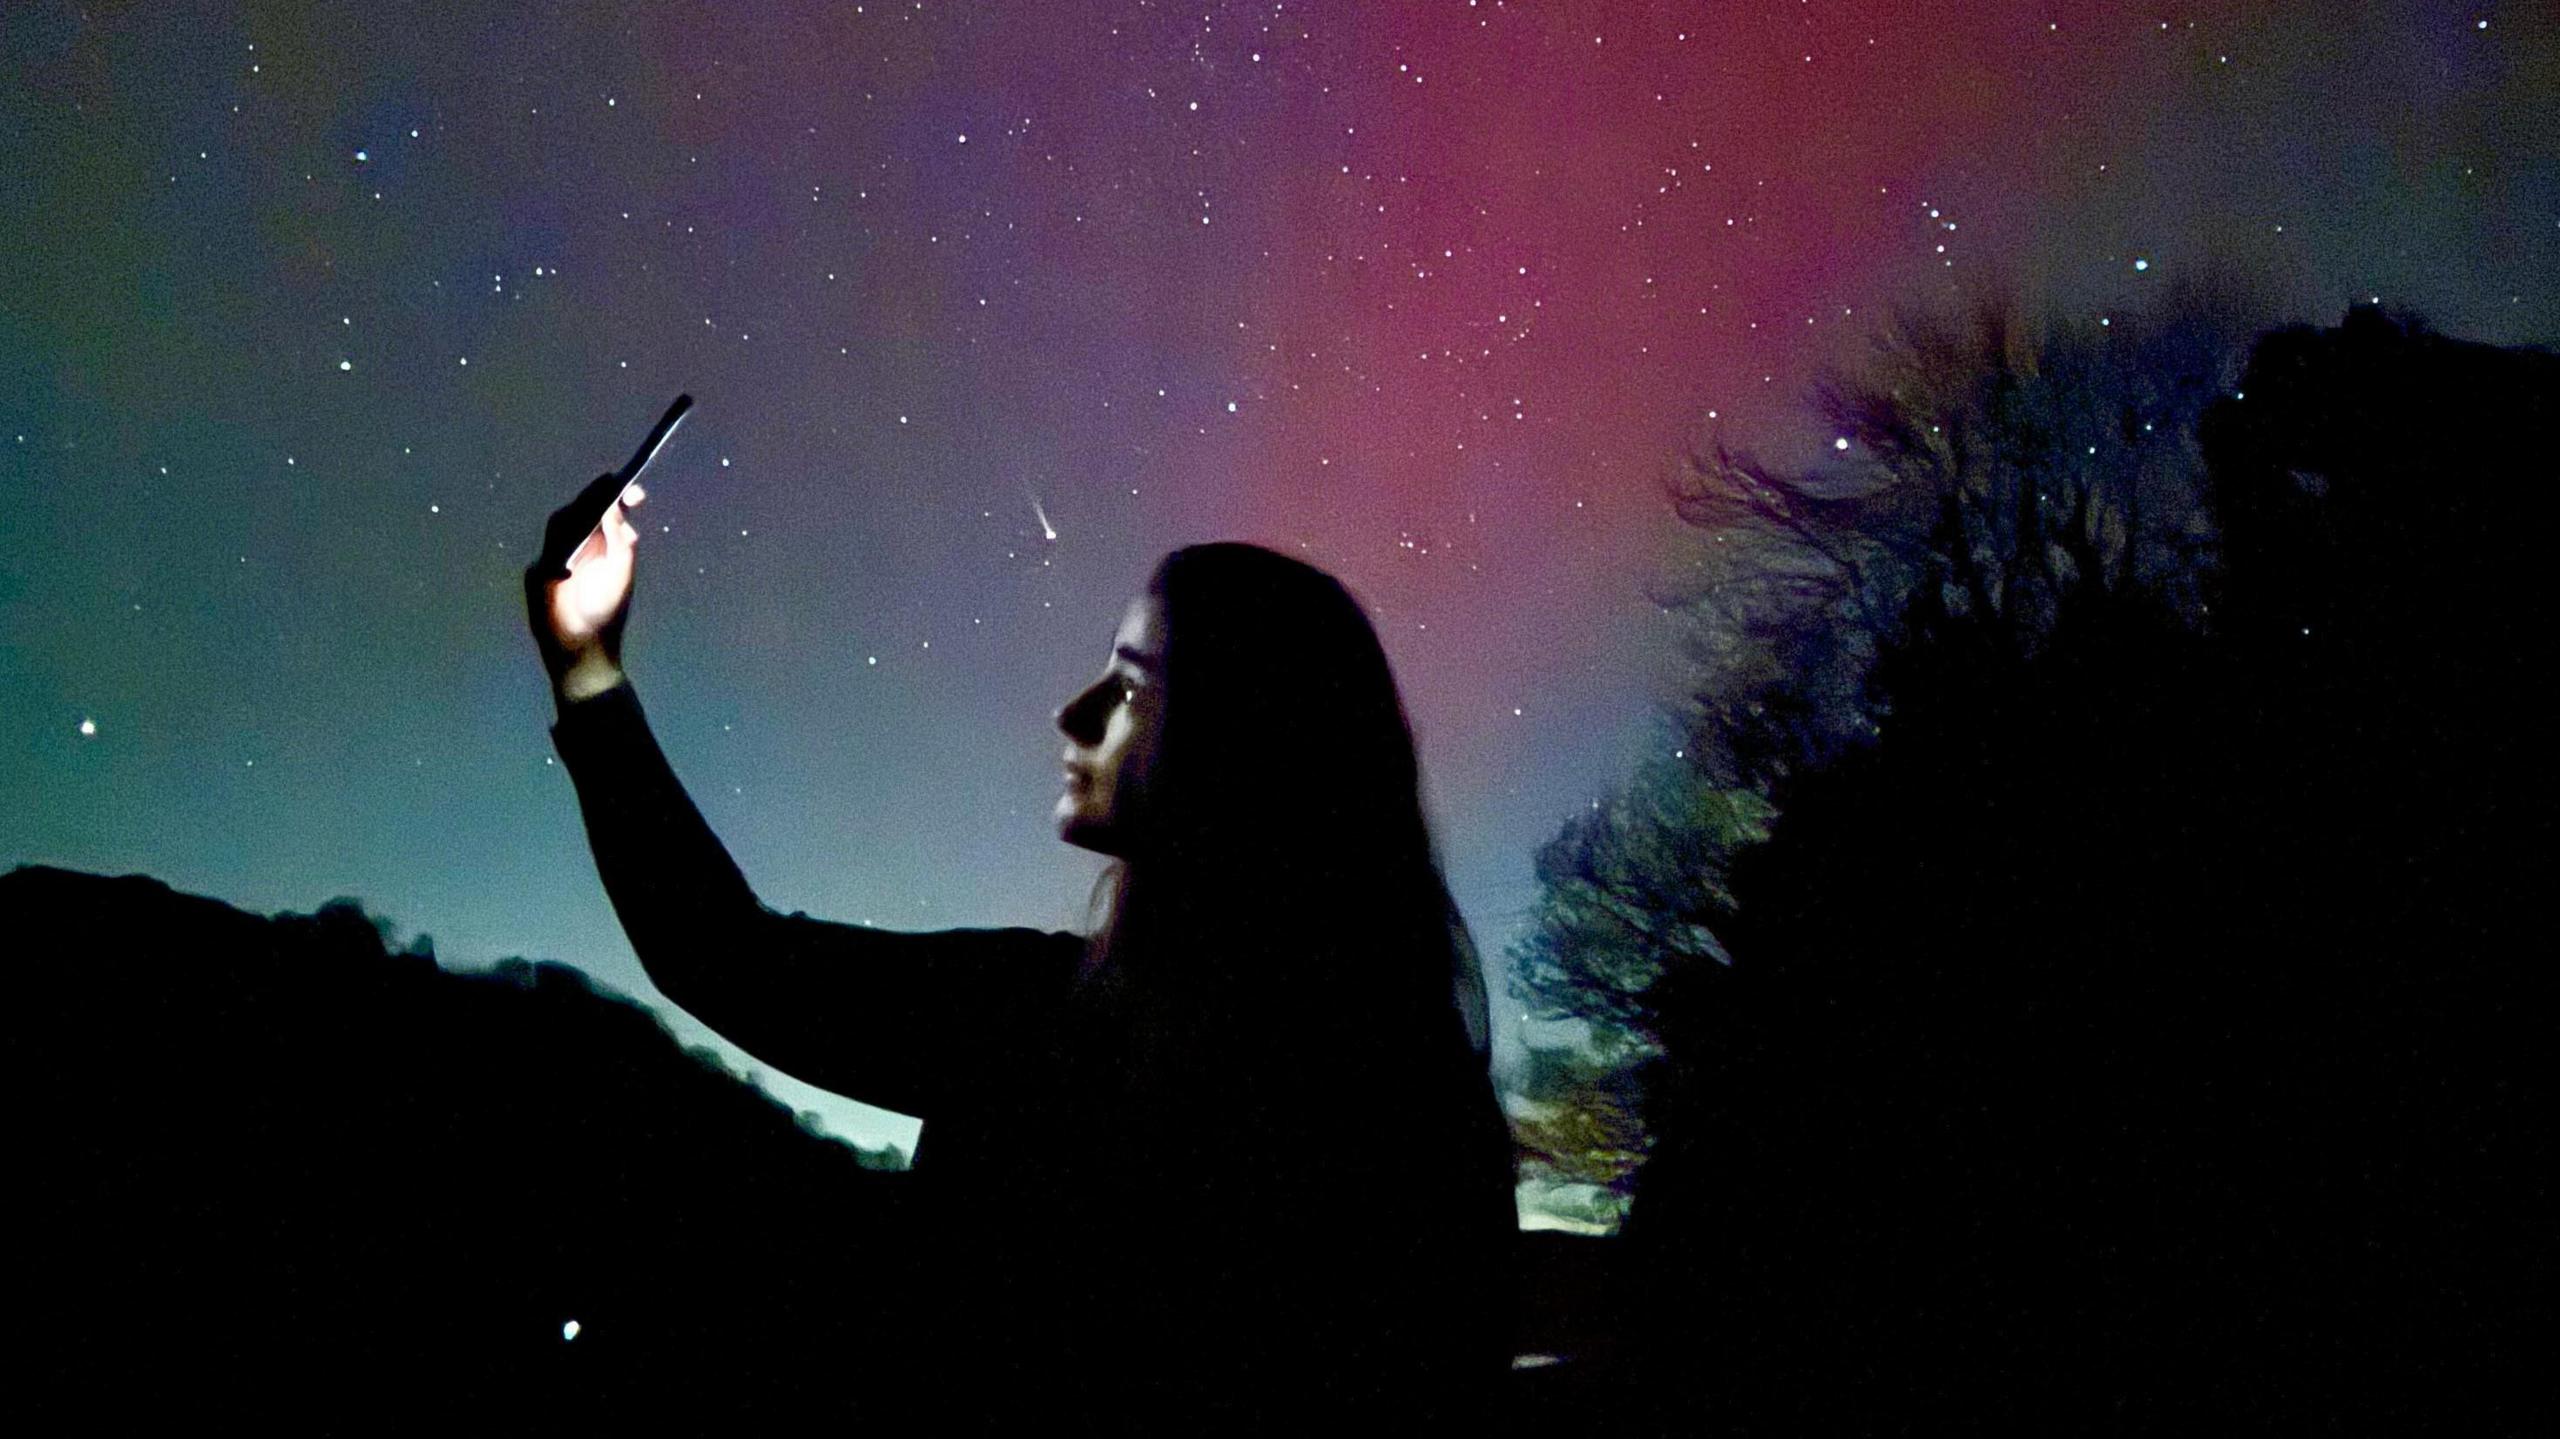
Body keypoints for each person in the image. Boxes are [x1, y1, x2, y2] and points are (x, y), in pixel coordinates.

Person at [525, 477, 1517, 1426]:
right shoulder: (1423, 1112)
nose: (1072, 714)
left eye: (1130, 685)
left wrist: (588, 673)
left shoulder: (1038, 1021)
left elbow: (724, 954)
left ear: (1245, 740)